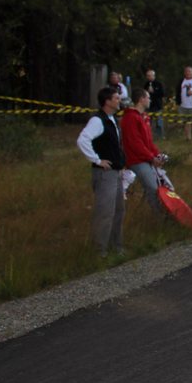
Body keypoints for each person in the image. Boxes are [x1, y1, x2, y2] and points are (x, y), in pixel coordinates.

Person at [77, 86, 127, 256]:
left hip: (116, 172)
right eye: (116, 98)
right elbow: (83, 140)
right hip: (105, 174)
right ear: (107, 101)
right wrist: (97, 160)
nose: (119, 101)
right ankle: (100, 250)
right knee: (105, 212)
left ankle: (116, 246)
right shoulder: (98, 121)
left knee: (118, 210)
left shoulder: (112, 120)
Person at [120, 86, 166, 214]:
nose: (150, 100)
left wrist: (158, 155)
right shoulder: (130, 118)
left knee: (162, 185)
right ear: (141, 100)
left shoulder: (144, 117)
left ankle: (162, 212)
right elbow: (135, 143)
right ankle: (160, 216)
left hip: (146, 157)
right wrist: (151, 157)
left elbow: (148, 142)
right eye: (148, 98)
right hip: (136, 160)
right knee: (153, 188)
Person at [144, 69, 166, 140]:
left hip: (157, 106)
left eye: (150, 75)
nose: (149, 77)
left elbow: (162, 94)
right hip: (148, 106)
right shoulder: (146, 84)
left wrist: (154, 92)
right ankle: (149, 136)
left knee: (159, 122)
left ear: (154, 76)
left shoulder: (159, 84)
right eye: (147, 76)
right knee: (148, 122)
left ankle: (160, 136)